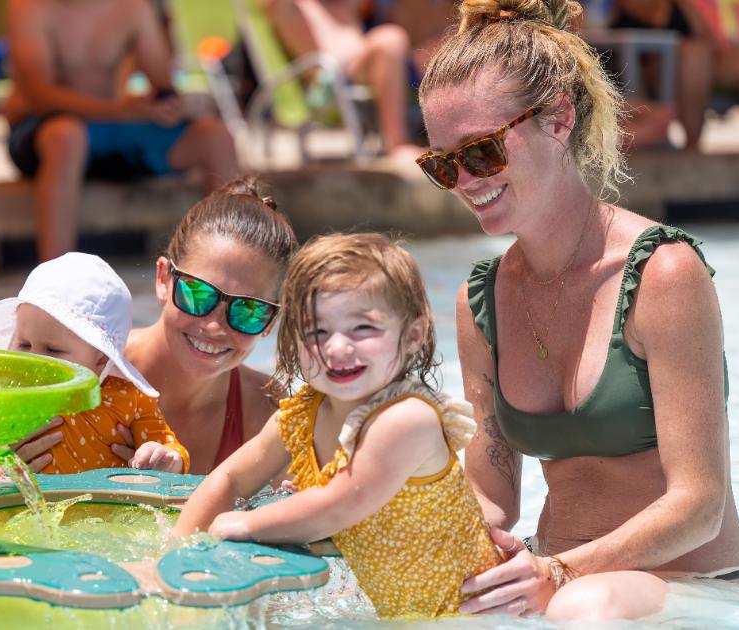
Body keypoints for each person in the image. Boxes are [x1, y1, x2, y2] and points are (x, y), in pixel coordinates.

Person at [416, 0, 739, 620]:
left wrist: (563, 572)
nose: (465, 179)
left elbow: (701, 505)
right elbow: (494, 496)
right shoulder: (480, 302)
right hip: (554, 576)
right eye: (443, 164)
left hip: (690, 589)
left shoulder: (663, 272)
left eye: (482, 151)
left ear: (559, 120)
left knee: (585, 610)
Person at [172, 232, 500, 619]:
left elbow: (339, 505)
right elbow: (230, 477)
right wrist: (178, 555)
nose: (337, 348)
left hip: (470, 615)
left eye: (363, 328)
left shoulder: (407, 418)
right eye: (316, 332)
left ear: (412, 335)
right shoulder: (301, 416)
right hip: (403, 616)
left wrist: (242, 523)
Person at [4, 177, 298, 475]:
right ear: (162, 279)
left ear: (270, 322)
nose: (214, 326)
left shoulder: (271, 416)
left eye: (248, 310)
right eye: (198, 294)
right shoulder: (74, 364)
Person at [5, 0, 241, 261]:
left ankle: (228, 267)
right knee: (67, 136)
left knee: (215, 137)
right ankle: (54, 276)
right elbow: (38, 95)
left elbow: (162, 84)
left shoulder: (132, 8)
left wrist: (172, 106)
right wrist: (119, 110)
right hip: (43, 130)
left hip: (111, 128)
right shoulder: (30, 7)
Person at [0, 252, 189, 477]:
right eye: (24, 344)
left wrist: (165, 459)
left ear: (100, 360)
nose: (33, 360)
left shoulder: (128, 399)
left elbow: (169, 448)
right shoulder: (5, 393)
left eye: (53, 350)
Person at [611, 0, 739, 152]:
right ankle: (693, 146)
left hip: (698, 64)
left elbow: (709, 41)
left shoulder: (681, 6)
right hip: (649, 70)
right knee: (694, 56)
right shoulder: (610, 7)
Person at [264, 0, 425, 157]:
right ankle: (396, 144)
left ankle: (422, 131)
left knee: (418, 46)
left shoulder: (341, 5)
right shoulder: (292, 7)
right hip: (326, 81)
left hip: (354, 70)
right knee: (390, 40)